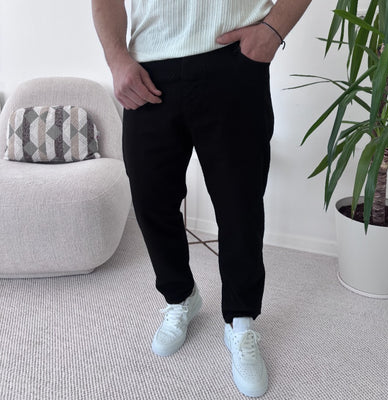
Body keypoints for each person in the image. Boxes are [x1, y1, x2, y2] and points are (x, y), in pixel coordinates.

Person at [92, 0, 311, 397]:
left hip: (233, 60)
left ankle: (240, 322)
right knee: (150, 200)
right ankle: (180, 297)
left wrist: (272, 31)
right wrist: (116, 59)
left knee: (240, 207)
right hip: (148, 68)